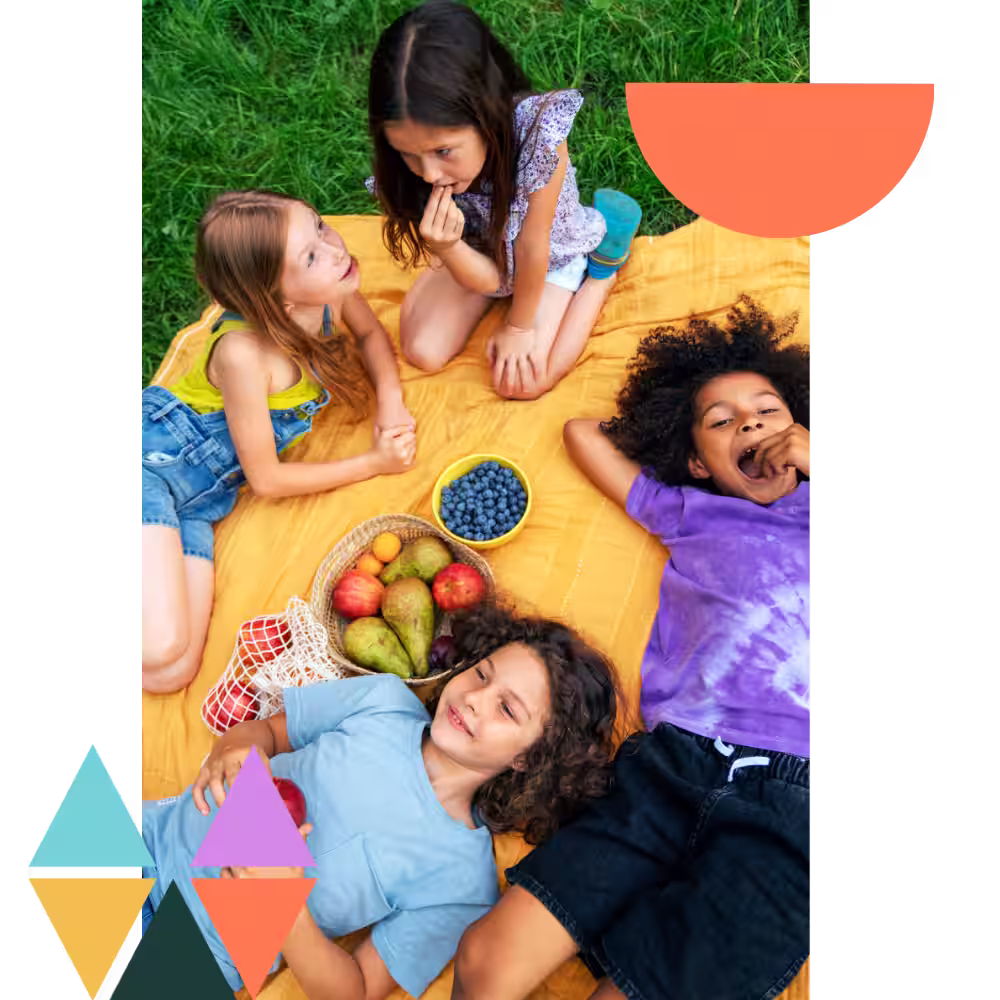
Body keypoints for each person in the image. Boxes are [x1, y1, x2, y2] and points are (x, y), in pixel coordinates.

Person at [451, 295, 810, 1000]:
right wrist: (674, 454)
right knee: (486, 959)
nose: (752, 425)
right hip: (671, 766)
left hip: (794, 803)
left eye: (769, 410)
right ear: (698, 464)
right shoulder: (689, 512)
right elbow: (583, 433)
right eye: (723, 422)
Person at [139, 602, 622, 999]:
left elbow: (354, 991)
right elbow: (264, 731)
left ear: (529, 759)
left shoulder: (463, 885)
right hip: (147, 837)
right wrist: (235, 751)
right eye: (481, 674)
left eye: (507, 709)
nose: (475, 698)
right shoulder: (384, 702)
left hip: (195, 954)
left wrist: (284, 909)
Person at [141, 190, 417, 695]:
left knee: (172, 673)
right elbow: (266, 478)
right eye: (310, 255)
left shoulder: (332, 288)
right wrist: (373, 462)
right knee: (158, 647)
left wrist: (391, 402)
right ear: (277, 299)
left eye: (319, 225)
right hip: (153, 465)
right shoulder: (244, 354)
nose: (335, 249)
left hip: (204, 500)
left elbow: (372, 338)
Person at [366, 0, 642, 401]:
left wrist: (518, 327)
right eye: (408, 154)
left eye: (443, 151)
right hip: (483, 253)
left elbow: (533, 246)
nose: (427, 174)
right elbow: (492, 280)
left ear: (487, 115)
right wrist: (446, 247)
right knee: (422, 351)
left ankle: (602, 270)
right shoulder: (420, 167)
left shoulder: (538, 137)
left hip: (546, 254)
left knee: (525, 382)